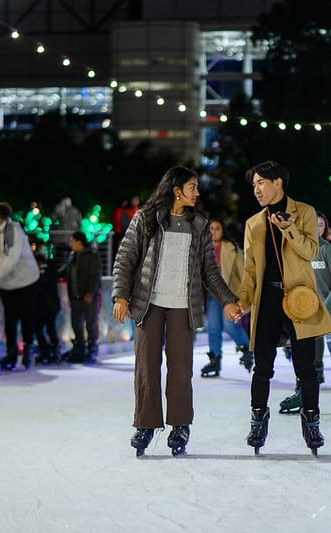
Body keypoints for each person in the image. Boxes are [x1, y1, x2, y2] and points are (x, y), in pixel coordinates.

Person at [112, 167, 241, 457]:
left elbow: (210, 271)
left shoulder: (200, 224)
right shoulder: (147, 218)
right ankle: (145, 425)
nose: (197, 192)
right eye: (192, 187)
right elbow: (125, 258)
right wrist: (121, 295)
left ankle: (180, 425)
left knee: (180, 371)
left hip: (183, 306)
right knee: (146, 367)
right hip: (149, 304)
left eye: (197, 187)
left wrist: (228, 300)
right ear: (176, 190)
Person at [235, 161, 331, 455]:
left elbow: (311, 252)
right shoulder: (254, 224)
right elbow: (250, 270)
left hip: (300, 299)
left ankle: (311, 421)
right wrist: (242, 300)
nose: (256, 190)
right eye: (253, 185)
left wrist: (289, 229)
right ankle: (258, 420)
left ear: (278, 182)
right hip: (267, 300)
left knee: (306, 366)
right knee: (262, 365)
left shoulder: (304, 212)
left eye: (261, 183)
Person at [278, 212, 331, 417]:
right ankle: (302, 392)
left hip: (328, 307)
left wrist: (325, 305)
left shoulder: (326, 248)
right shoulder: (301, 249)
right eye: (314, 224)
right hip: (307, 310)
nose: (318, 228)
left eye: (321, 225)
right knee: (305, 352)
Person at [0, 201, 40, 370]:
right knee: (10, 320)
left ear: (4, 217)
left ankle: (28, 349)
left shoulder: (15, 230)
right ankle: (11, 354)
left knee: (27, 317)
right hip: (6, 283)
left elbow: (12, 259)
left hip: (26, 280)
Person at [199, 218, 253, 377]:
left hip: (229, 293)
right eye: (211, 228)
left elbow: (243, 273)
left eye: (217, 229)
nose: (213, 232)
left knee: (230, 325)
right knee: (213, 327)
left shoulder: (231, 249)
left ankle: (246, 349)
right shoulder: (202, 249)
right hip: (211, 294)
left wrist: (243, 296)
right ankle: (215, 358)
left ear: (223, 232)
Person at [63, 231, 102, 364]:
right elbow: (66, 272)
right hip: (75, 296)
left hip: (88, 296)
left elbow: (95, 275)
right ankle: (79, 347)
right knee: (76, 323)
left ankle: (92, 348)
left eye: (72, 241)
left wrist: (90, 292)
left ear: (79, 242)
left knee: (91, 323)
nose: (70, 244)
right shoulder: (72, 256)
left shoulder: (92, 255)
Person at [34, 251, 61, 365]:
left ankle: (51, 351)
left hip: (48, 306)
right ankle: (49, 350)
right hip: (47, 306)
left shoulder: (44, 270)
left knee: (47, 328)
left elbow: (43, 282)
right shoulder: (49, 270)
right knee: (42, 328)